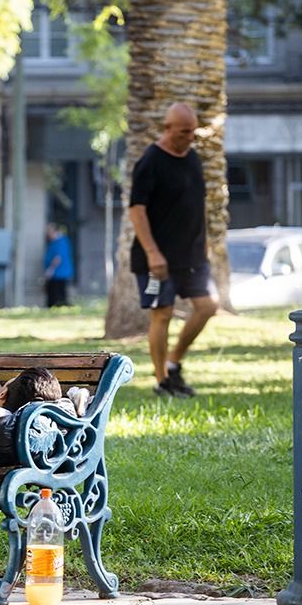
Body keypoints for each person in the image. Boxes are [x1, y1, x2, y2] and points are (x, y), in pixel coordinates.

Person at [129, 102, 218, 398]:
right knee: (162, 313)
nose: (190, 138)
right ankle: (161, 380)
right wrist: (153, 253)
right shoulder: (150, 161)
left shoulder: (192, 158)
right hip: (156, 258)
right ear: (167, 129)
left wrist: (204, 244)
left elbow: (197, 205)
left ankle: (174, 362)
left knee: (208, 306)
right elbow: (137, 211)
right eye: (184, 132)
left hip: (191, 256)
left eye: (193, 132)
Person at [43, 223, 74, 308]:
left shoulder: (61, 241)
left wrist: (50, 270)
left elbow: (58, 258)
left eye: (49, 231)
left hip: (59, 274)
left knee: (58, 296)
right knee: (52, 295)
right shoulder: (52, 242)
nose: (47, 234)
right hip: (55, 275)